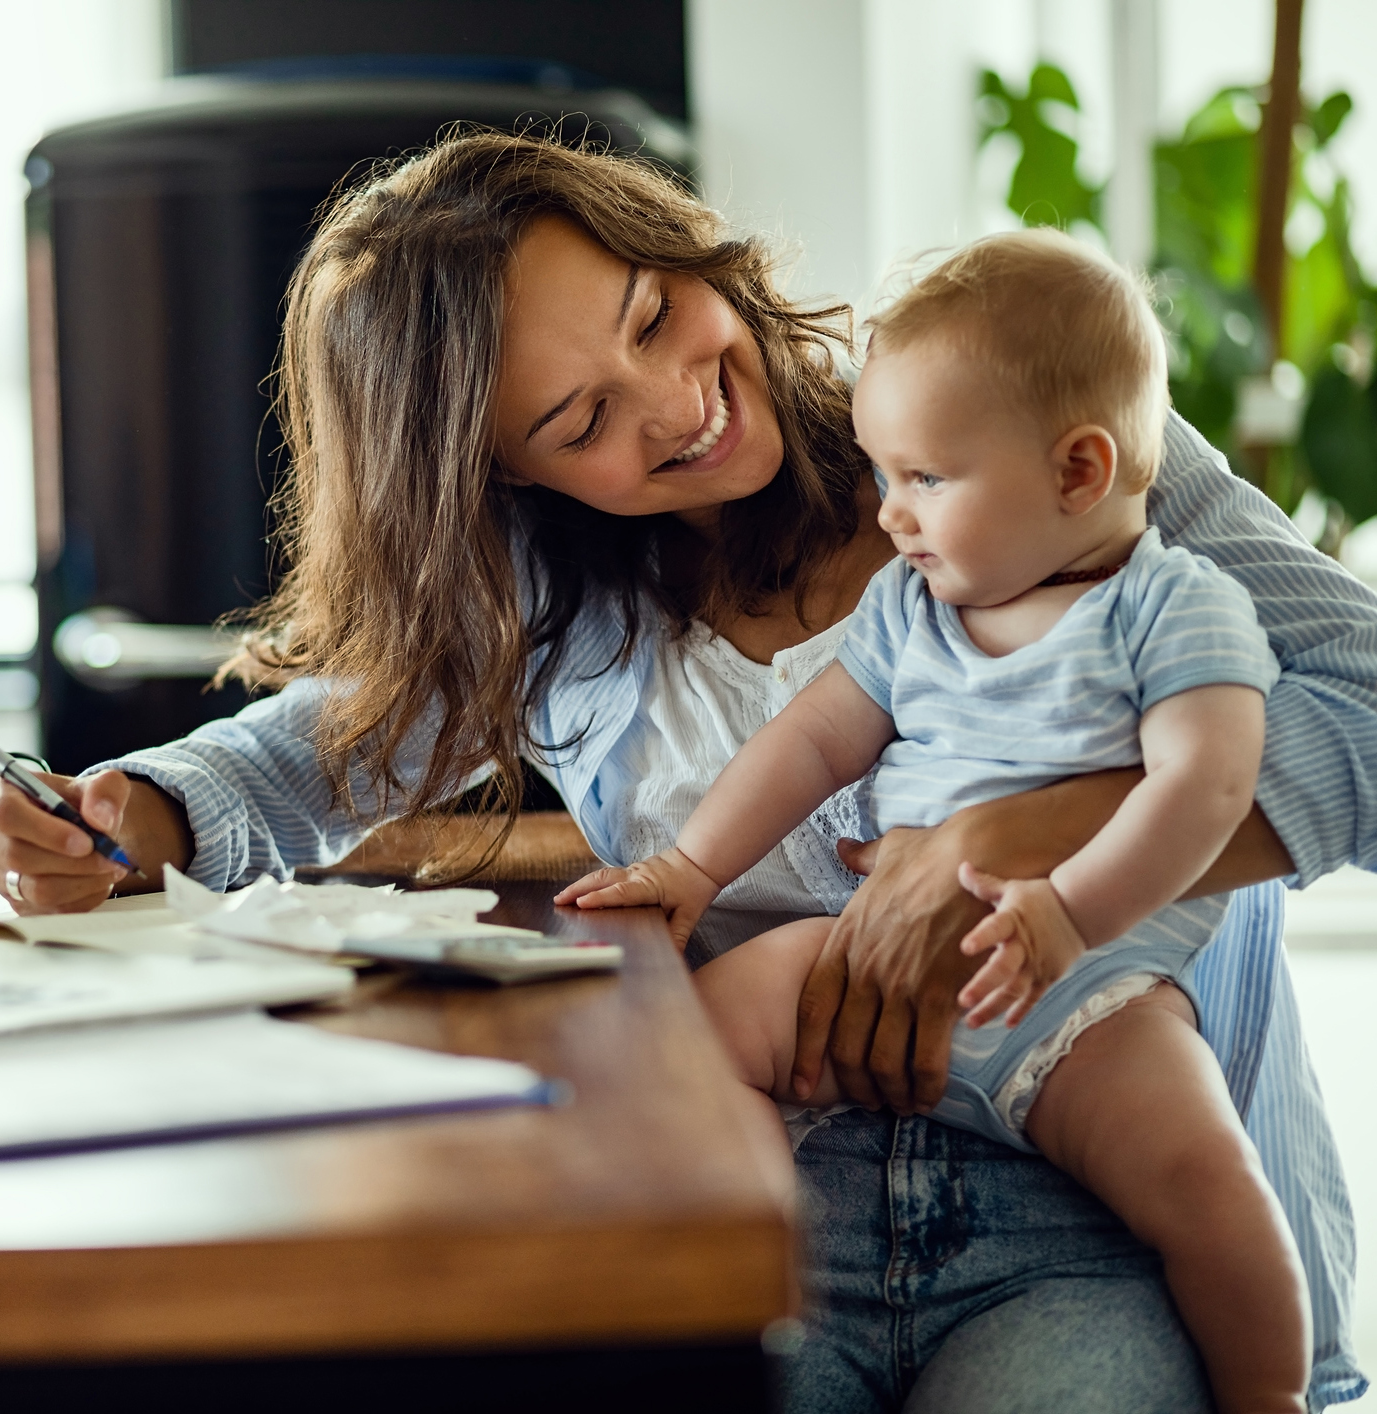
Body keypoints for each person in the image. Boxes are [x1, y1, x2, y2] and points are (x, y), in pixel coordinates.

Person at [0, 135, 1371, 1411]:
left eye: (652, 314)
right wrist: (122, 812)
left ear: (679, 245)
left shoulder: (1033, 429)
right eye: (578, 423)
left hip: (1099, 1195)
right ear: (505, 480)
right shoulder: (550, 594)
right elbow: (306, 751)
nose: (675, 405)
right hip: (767, 1191)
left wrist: (1025, 835)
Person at [556, 230, 1309, 1413]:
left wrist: (1066, 913)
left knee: (1203, 1175)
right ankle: (760, 1260)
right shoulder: (910, 607)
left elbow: (1205, 792)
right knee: (691, 1038)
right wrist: (692, 865)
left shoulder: (1173, 607)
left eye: (926, 479)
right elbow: (812, 739)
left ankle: (1270, 1389)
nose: (890, 512)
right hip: (869, 950)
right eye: (884, 473)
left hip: (1085, 994)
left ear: (1076, 472)